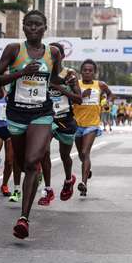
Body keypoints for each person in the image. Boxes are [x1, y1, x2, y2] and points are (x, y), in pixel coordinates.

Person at [0, 10, 64, 239]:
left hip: (42, 113)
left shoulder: (52, 53)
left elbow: (54, 79)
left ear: (45, 28)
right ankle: (32, 178)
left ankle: (23, 218)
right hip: (16, 113)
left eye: (38, 25)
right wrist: (21, 73)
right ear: (24, 28)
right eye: (29, 25)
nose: (33, 28)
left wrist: (67, 83)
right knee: (22, 164)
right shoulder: (14, 50)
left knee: (32, 162)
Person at [42, 42, 82, 205]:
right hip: (46, 118)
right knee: (43, 153)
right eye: (48, 55)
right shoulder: (42, 73)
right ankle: (48, 189)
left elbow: (79, 99)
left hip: (65, 119)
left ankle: (68, 180)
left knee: (65, 155)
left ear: (62, 56)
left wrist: (61, 88)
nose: (51, 58)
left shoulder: (69, 73)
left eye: (55, 55)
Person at [73, 59, 112, 197]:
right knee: (80, 155)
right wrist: (80, 96)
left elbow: (110, 93)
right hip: (77, 123)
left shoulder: (100, 85)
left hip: (92, 123)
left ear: (94, 72)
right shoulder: (75, 84)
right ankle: (87, 169)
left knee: (85, 152)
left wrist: (106, 101)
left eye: (90, 70)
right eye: (85, 70)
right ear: (81, 72)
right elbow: (70, 98)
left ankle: (83, 183)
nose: (87, 72)